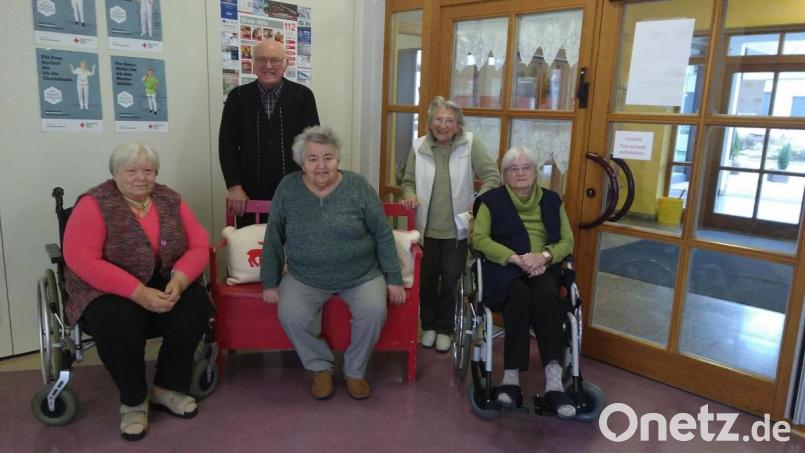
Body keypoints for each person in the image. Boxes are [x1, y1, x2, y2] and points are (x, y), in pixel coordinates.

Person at [62, 143, 212, 441]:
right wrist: (138, 292)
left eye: (148, 170)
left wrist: (180, 281)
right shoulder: (94, 203)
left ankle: (167, 388)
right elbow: (81, 259)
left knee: (195, 303)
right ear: (115, 172)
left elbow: (199, 245)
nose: (141, 177)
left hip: (162, 279)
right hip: (104, 288)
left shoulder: (170, 199)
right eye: (131, 170)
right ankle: (133, 401)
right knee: (118, 320)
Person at [260, 126, 405, 400]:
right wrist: (269, 281)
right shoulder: (288, 188)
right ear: (302, 162)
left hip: (361, 274)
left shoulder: (358, 186)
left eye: (328, 157)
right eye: (313, 159)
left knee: (374, 310)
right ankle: (320, 368)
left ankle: (355, 370)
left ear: (338, 159)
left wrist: (394, 278)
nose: (321, 165)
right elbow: (274, 236)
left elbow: (383, 233)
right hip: (304, 276)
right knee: (290, 314)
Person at [471, 145, 575, 417]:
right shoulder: (491, 201)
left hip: (543, 267)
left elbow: (567, 241)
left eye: (526, 167)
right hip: (506, 267)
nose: (520, 173)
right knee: (519, 296)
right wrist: (517, 259)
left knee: (548, 297)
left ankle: (554, 382)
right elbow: (479, 239)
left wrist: (544, 257)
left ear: (535, 172)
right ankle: (511, 379)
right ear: (504, 174)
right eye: (513, 169)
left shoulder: (552, 200)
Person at [400, 96, 500, 352]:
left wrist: (478, 201)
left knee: (451, 280)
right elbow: (407, 181)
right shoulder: (419, 146)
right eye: (438, 119)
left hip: (457, 230)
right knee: (426, 281)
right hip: (425, 229)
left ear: (458, 125)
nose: (443, 125)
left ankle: (445, 328)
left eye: (449, 120)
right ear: (429, 122)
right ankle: (429, 326)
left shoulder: (470, 143)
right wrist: (409, 195)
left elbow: (492, 176)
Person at [219, 39, 319, 225]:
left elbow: (314, 146)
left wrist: (313, 185)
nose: (268, 65)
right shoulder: (237, 97)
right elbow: (227, 146)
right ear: (253, 64)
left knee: (294, 241)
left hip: (296, 192)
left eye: (274, 60)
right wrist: (234, 187)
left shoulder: (303, 96)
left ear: (285, 64)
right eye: (261, 60)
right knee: (252, 242)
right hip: (248, 196)